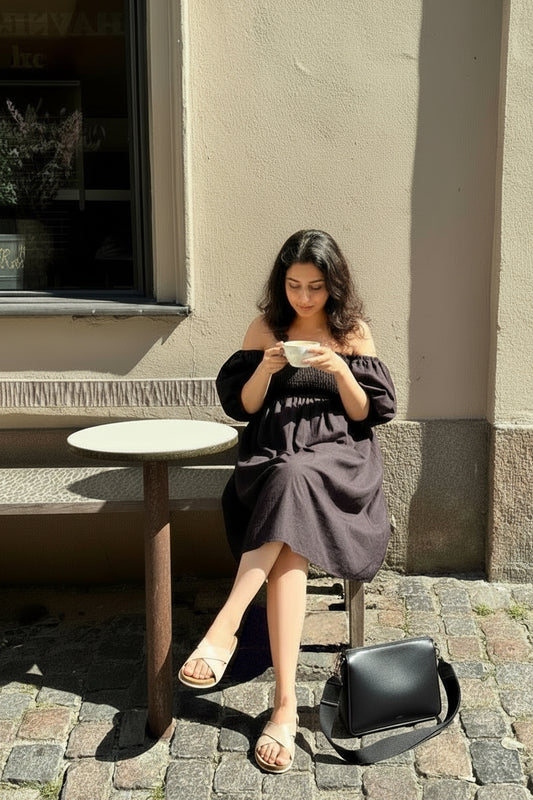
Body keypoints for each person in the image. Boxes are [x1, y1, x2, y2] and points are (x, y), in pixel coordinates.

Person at [178, 229, 397, 773]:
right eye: (295, 285)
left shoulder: (353, 332)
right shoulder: (264, 329)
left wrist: (340, 368)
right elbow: (245, 407)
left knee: (296, 479)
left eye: (316, 287)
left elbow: (365, 414)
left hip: (339, 461)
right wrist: (267, 368)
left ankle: (225, 627)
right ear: (282, 284)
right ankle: (282, 708)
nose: (304, 298)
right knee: (288, 515)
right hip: (273, 458)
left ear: (333, 286)